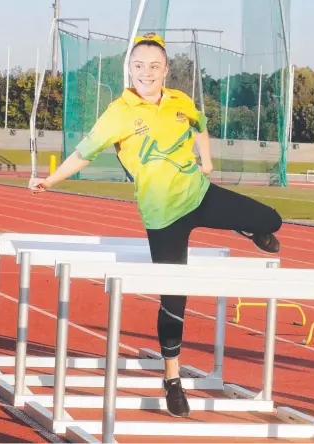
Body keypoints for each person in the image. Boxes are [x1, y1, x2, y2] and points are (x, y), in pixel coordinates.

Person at [28, 33, 282, 418]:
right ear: (129, 69)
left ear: (166, 70)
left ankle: (248, 227)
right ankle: (173, 379)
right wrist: (50, 180)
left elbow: (200, 125)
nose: (147, 72)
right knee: (175, 298)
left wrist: (207, 160)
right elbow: (83, 153)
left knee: (271, 220)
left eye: (154, 66)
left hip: (200, 194)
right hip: (163, 216)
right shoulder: (118, 112)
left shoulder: (181, 101)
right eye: (139, 66)